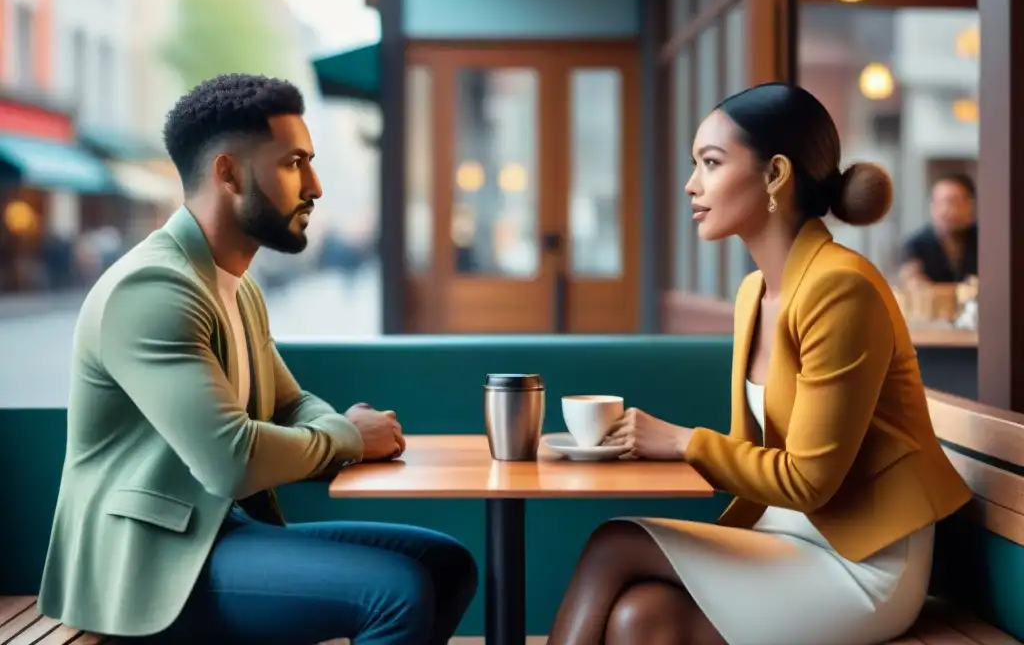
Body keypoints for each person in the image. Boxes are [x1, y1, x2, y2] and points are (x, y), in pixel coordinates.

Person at [38, 74, 478, 644]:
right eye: (294, 163)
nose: (315, 186)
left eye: (312, 162)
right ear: (228, 173)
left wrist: (332, 427)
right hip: (147, 566)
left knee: (448, 564)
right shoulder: (152, 290)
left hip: (222, 534)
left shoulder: (237, 285)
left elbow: (292, 402)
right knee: (395, 593)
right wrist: (347, 436)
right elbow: (232, 461)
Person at [547, 83, 972, 645]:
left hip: (861, 561)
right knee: (640, 620)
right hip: (784, 534)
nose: (691, 184)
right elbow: (759, 457)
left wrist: (682, 442)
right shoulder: (753, 294)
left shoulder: (841, 289)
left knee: (615, 543)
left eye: (712, 163)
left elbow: (809, 481)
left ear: (775, 175)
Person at [900, 173, 978, 286]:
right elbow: (912, 280)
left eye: (952, 202)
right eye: (937, 202)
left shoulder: (983, 241)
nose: (944, 210)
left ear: (970, 204)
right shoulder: (916, 245)